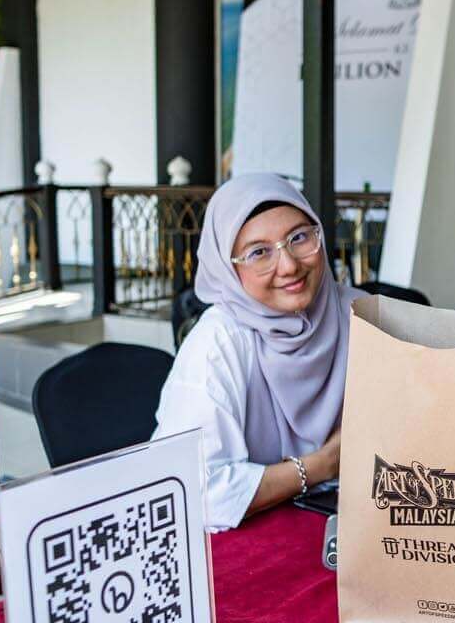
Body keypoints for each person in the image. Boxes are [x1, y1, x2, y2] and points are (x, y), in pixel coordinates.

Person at [154, 173, 365, 530]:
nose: (289, 266)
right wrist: (322, 465)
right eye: (258, 253)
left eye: (299, 237)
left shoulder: (361, 314)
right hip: (253, 536)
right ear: (227, 268)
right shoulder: (217, 344)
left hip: (354, 523)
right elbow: (192, 492)